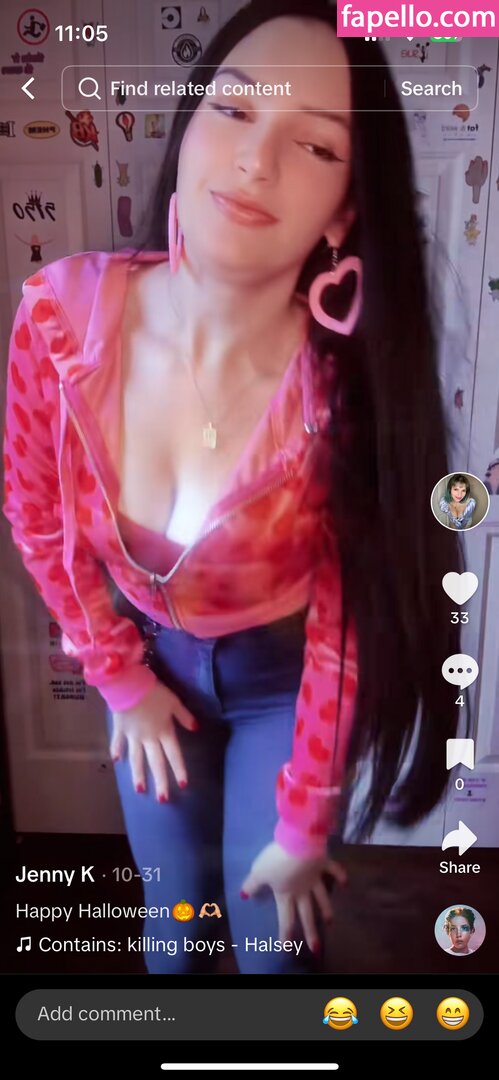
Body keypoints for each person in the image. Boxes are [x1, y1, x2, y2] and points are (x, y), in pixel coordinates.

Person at [3, 0, 463, 975]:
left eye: (316, 146)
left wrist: (306, 815)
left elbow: (347, 614)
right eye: (235, 109)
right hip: (147, 670)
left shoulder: (339, 395)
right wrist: (120, 679)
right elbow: (36, 514)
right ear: (189, 125)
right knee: (174, 940)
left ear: (344, 213)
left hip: (281, 690)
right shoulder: (57, 318)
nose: (256, 161)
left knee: (274, 954)